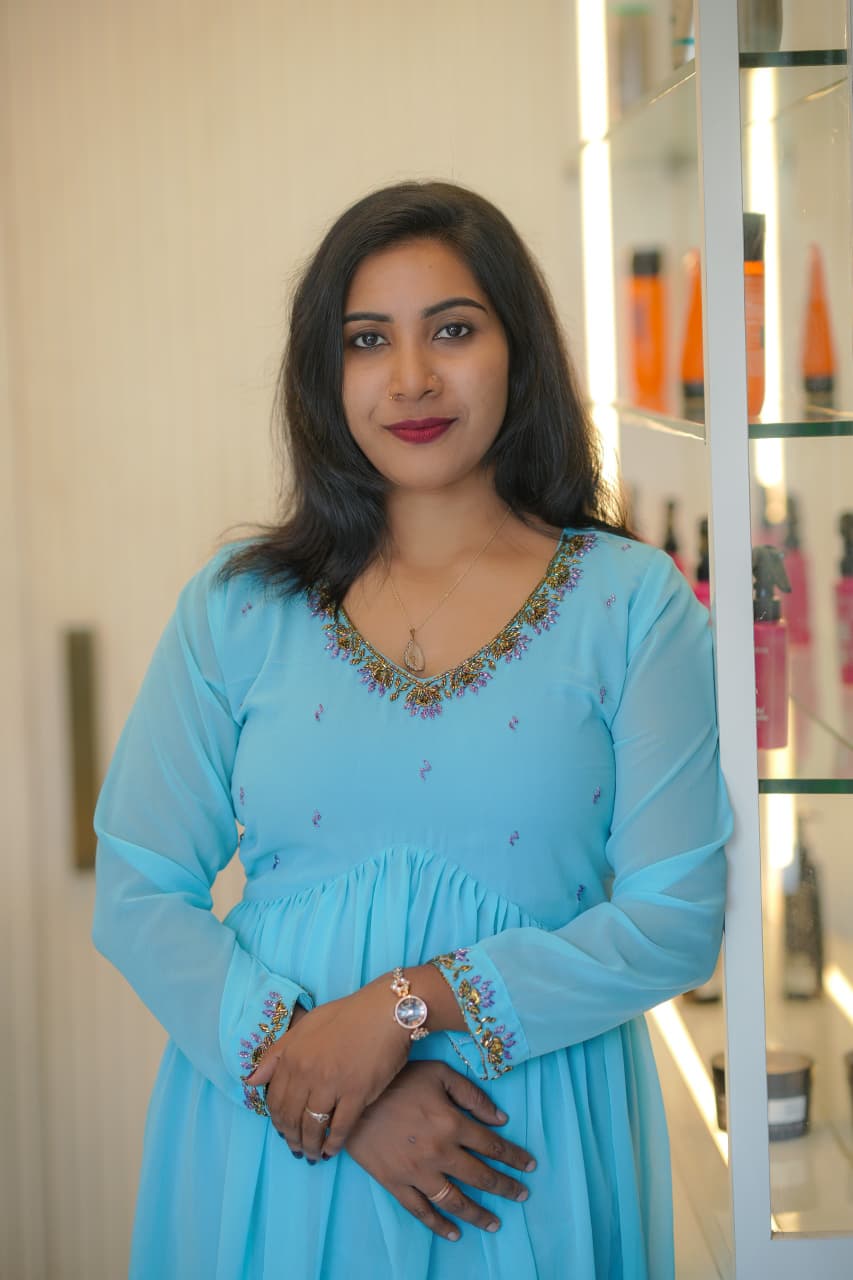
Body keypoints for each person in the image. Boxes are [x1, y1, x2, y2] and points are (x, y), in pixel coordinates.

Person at [92, 180, 731, 1280]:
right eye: (366, 340)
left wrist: (402, 1010)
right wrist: (330, 1079)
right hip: (280, 1131)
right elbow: (139, 887)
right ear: (324, 372)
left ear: (518, 348)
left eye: (453, 330)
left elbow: (673, 920)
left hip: (517, 1146)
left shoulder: (632, 604)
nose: (411, 379)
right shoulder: (239, 606)